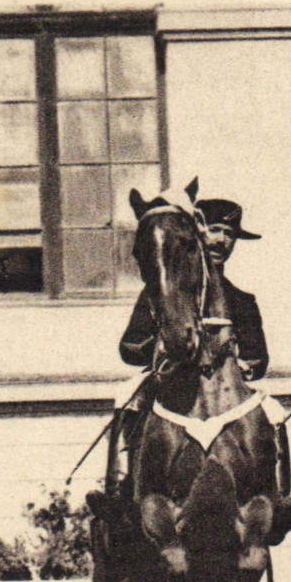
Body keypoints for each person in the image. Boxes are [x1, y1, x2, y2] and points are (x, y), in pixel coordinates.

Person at [108, 198, 267, 495]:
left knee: (275, 413)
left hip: (227, 393)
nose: (221, 240)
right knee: (126, 397)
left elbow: (259, 359)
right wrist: (159, 346)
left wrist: (244, 363)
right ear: (197, 235)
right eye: (215, 230)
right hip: (171, 386)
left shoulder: (243, 300)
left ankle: (276, 494)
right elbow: (128, 346)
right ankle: (119, 487)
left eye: (229, 233)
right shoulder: (163, 291)